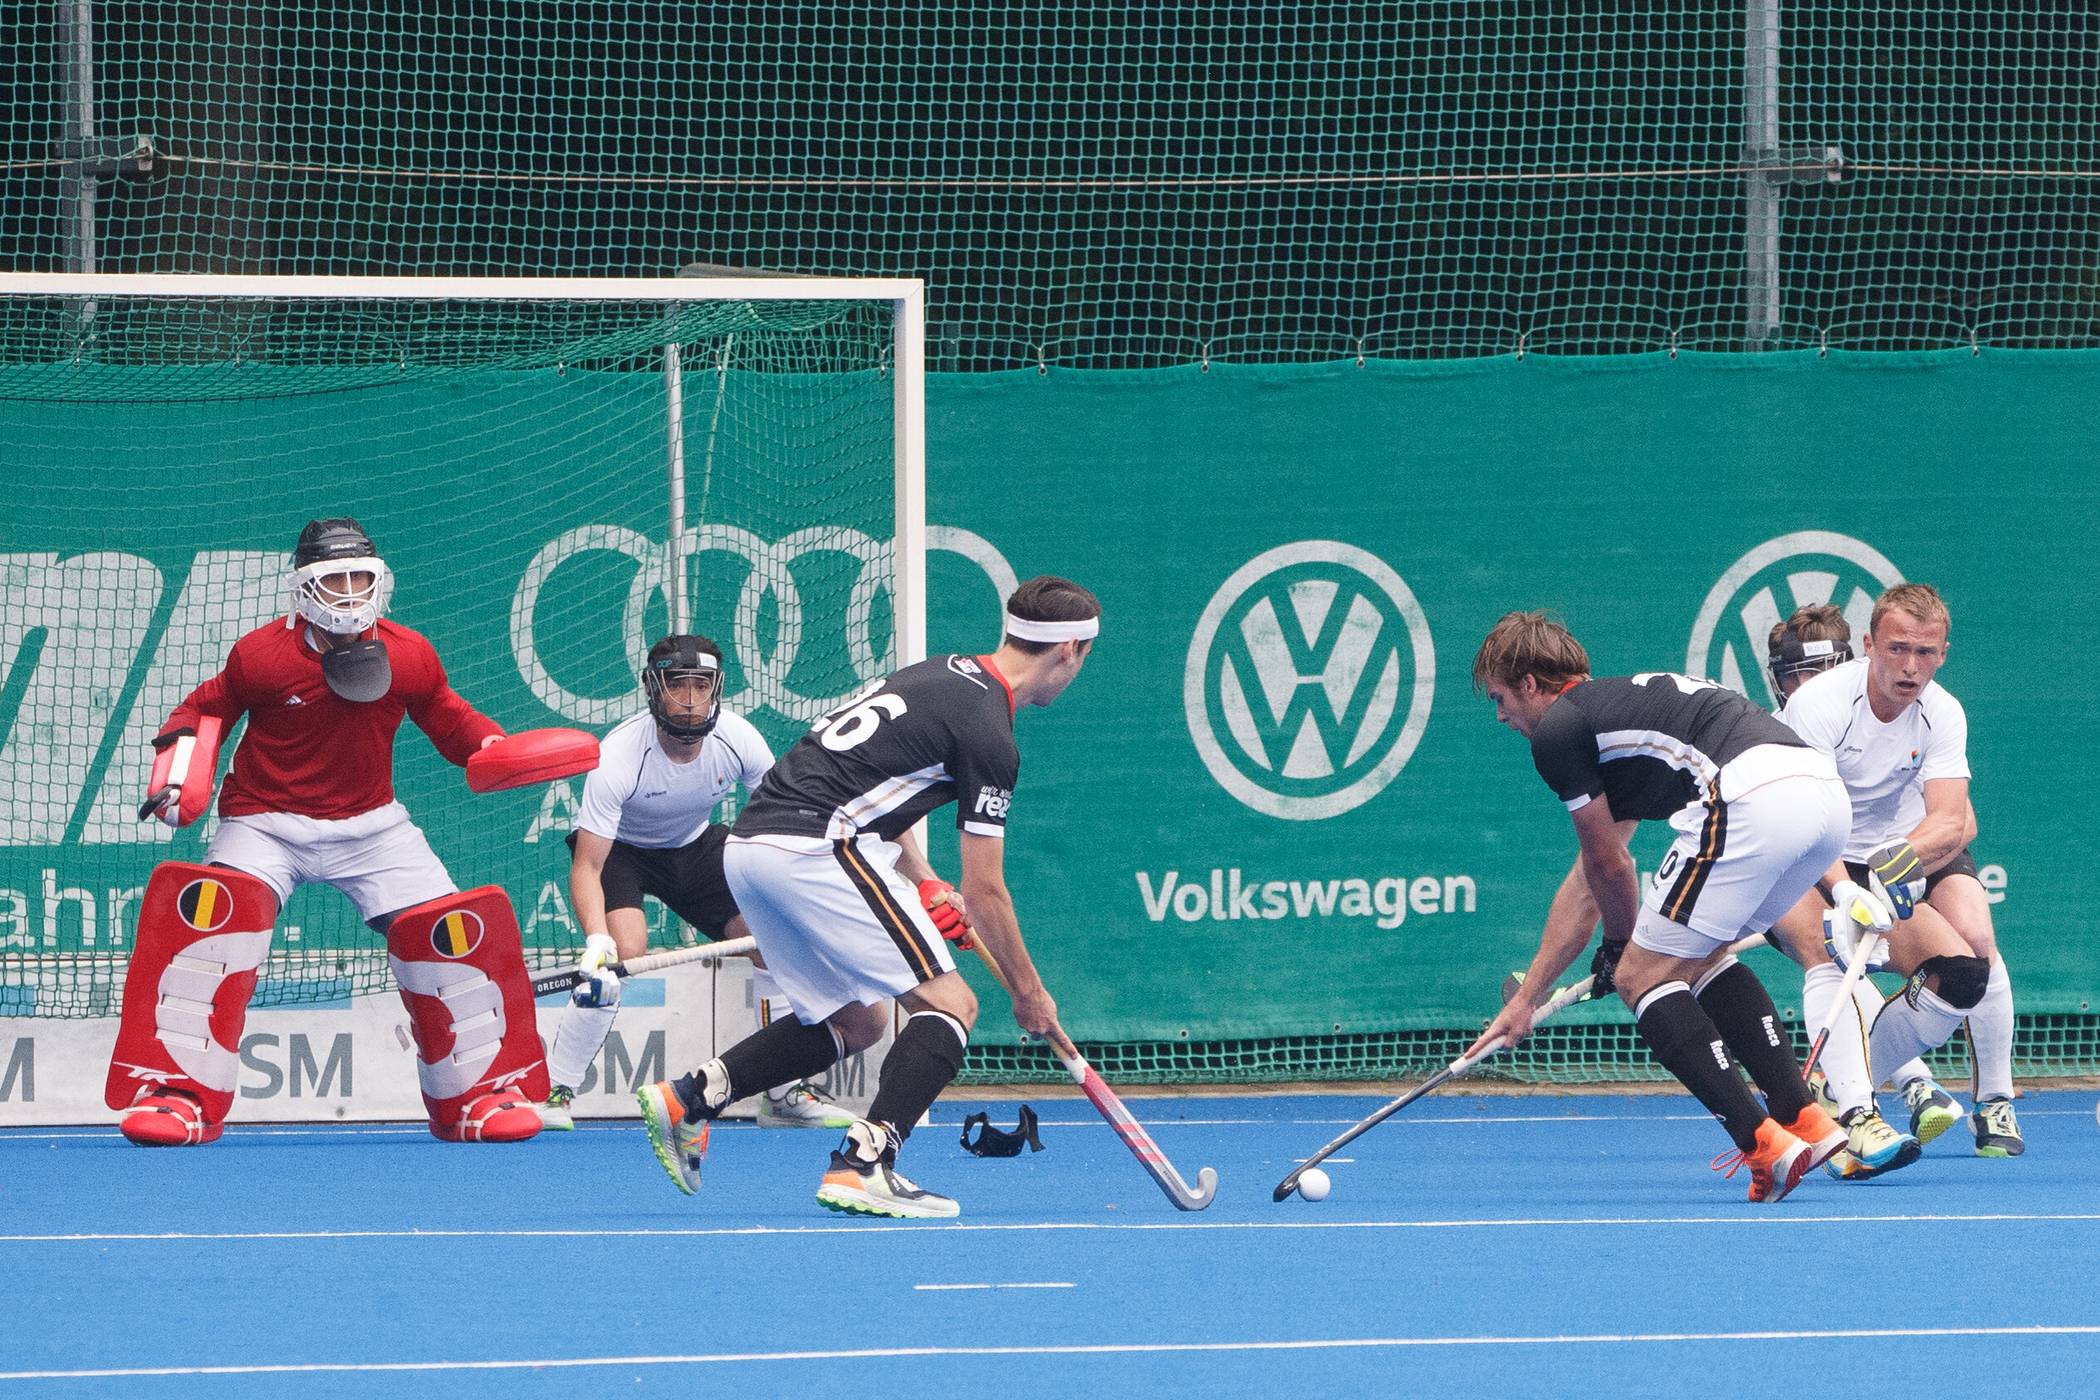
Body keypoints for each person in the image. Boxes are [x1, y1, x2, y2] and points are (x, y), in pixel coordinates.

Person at [634, 575, 1099, 1218]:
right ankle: (865, 1163)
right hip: (816, 849)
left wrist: (921, 876)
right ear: (1071, 650)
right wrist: (1028, 993)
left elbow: (872, 782)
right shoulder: (992, 733)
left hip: (748, 848)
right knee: (952, 1003)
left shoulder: (939, 674)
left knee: (860, 1020)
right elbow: (986, 891)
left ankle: (693, 1095)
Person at [111, 518, 546, 1146]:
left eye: (359, 578)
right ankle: (181, 1097)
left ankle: (476, 1098)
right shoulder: (260, 655)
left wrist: (494, 745)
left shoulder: (408, 654)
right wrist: (179, 772)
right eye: (333, 579)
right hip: (264, 821)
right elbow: (204, 709)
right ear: (303, 587)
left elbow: (450, 719)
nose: (348, 592)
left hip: (372, 826)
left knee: (452, 940)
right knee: (210, 926)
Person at [1469, 611, 1864, 1203]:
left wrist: (1617, 950)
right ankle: (1804, 1118)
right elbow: (1592, 873)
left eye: (1500, 697)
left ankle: (1762, 1145)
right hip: (1825, 805)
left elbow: (1610, 868)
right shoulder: (1621, 715)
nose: (1501, 716)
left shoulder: (1559, 733)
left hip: (1752, 796)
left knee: (1641, 977)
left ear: (1530, 684)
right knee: (1699, 959)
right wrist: (1529, 998)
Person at [536, 634, 850, 1132]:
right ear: (652, 689)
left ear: (716, 689)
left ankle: (784, 1095)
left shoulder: (740, 738)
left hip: (697, 847)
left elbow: (780, 819)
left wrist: (789, 899)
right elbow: (588, 866)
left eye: (700, 685)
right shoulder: (618, 756)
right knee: (620, 956)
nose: (688, 698)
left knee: (770, 944)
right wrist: (596, 939)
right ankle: (555, 1095)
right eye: (676, 684)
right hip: (624, 853)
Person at [1774, 584, 2021, 1161]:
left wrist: (1897, 863)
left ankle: (1986, 1101)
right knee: (1828, 950)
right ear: (1869, 645)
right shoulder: (1818, 708)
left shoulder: (1944, 712)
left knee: (1972, 955)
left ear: (1943, 653)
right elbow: (1803, 824)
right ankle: (1859, 1110)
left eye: (1926, 653)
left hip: (1908, 851)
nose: (1911, 667)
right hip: (1822, 848)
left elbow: (1955, 820)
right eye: (1898, 649)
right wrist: (1844, 889)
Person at [1755, 607, 1926, 1178]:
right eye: (1794, 677)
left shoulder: (1879, 721)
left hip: (1836, 866)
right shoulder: (1777, 729)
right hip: (1774, 859)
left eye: (1821, 671)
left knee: (1838, 958)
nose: (1807, 688)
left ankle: (1868, 1108)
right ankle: (1885, 1099)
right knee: (1827, 955)